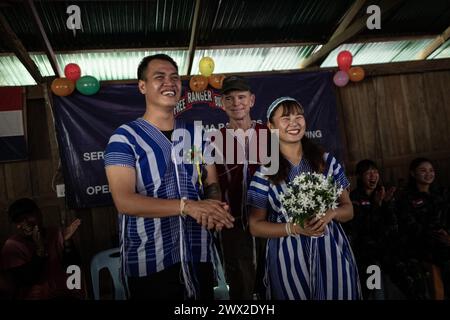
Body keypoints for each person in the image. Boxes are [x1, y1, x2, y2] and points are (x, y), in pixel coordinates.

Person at [104, 54, 235, 300]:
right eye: (159, 77)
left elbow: (211, 182)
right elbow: (124, 201)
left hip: (198, 252)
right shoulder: (125, 138)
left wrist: (214, 209)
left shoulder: (196, 133)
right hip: (150, 260)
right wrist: (188, 207)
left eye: (174, 78)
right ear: (142, 86)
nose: (169, 82)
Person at [247, 96, 361, 300]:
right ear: (270, 126)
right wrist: (294, 228)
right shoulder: (264, 172)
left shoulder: (326, 162)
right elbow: (255, 225)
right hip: (288, 258)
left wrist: (331, 213)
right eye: (285, 118)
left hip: (330, 252)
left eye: (299, 116)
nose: (294, 122)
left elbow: (349, 210)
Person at [214, 76, 267, 300]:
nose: (236, 103)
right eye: (230, 98)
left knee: (271, 278)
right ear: (222, 103)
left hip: (268, 220)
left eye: (241, 97)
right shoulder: (215, 139)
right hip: (232, 223)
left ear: (252, 100)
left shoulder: (269, 134)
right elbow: (212, 182)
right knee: (240, 285)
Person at [1, 198, 82, 299]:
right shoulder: (12, 245)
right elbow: (25, 279)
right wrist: (40, 250)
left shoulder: (55, 233)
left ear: (39, 214)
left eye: (28, 217)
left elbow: (74, 267)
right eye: (19, 221)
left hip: (62, 293)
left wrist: (67, 243)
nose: (25, 224)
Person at [395, 157, 450, 299]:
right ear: (413, 173)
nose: (429, 174)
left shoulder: (442, 193)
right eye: (423, 170)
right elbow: (410, 226)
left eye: (431, 170)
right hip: (423, 248)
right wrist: (438, 237)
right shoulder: (406, 198)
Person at [345, 159, 398, 299]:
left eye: (375, 172)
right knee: (373, 287)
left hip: (387, 252)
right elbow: (362, 230)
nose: (373, 176)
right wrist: (376, 205)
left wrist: (385, 204)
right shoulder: (353, 199)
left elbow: (393, 226)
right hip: (366, 255)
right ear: (359, 176)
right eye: (368, 173)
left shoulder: (384, 194)